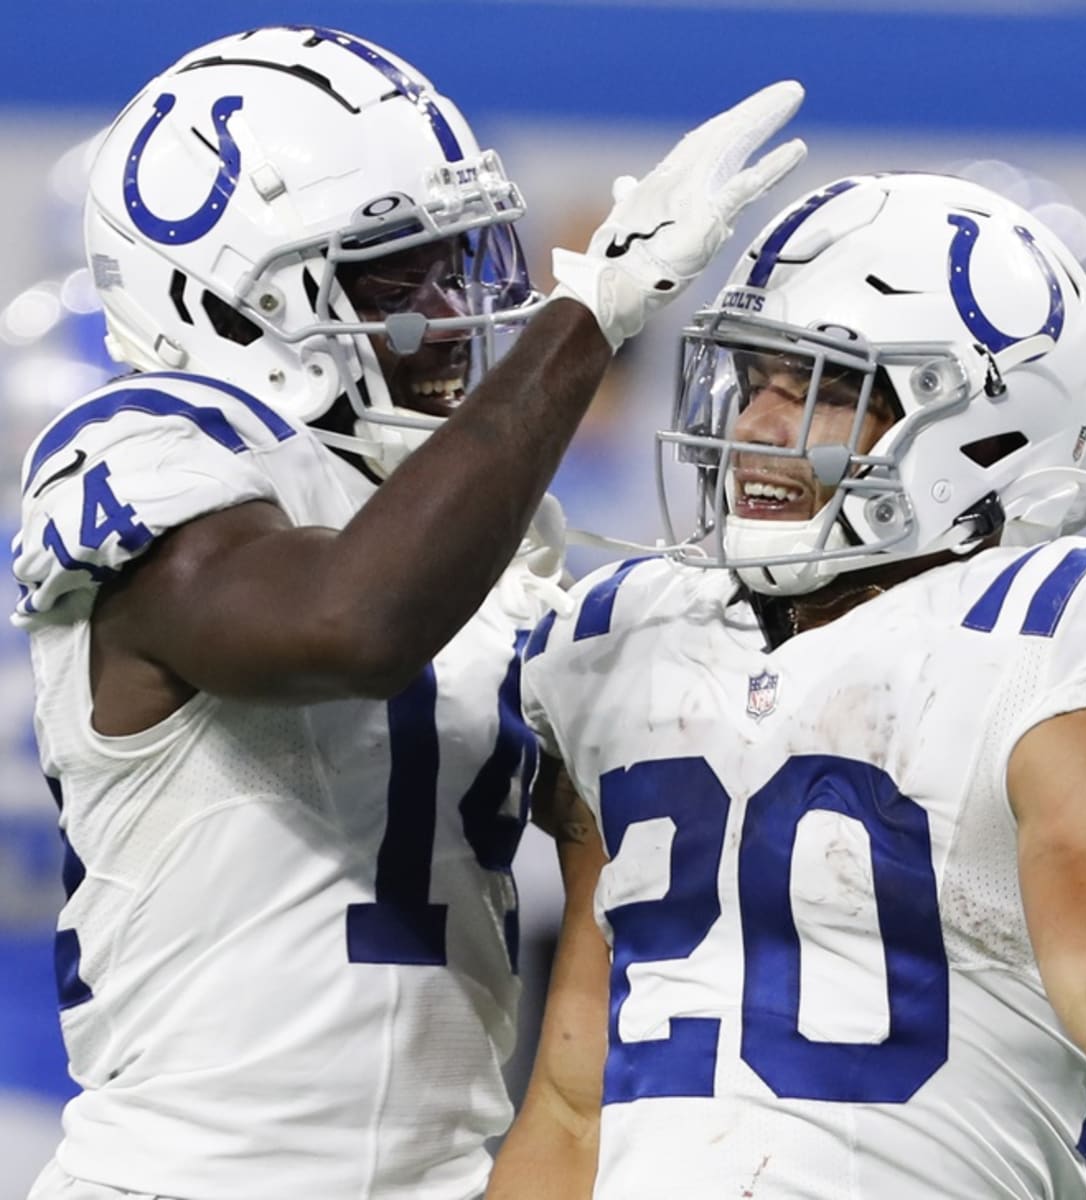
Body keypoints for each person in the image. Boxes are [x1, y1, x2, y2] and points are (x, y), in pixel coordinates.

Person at [10, 24, 809, 1200]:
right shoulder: (141, 449)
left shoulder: (466, 530)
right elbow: (350, 626)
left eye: (454, 262)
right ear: (233, 303)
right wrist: (585, 319)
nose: (446, 308)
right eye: (392, 276)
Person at [490, 171, 1086, 1200]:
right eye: (757, 377)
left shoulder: (1049, 630)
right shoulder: (627, 633)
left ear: (980, 432)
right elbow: (573, 1095)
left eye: (827, 386)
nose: (763, 426)